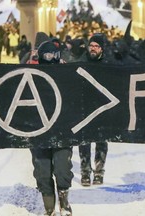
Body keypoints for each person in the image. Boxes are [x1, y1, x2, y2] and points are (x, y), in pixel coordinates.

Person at [29, 40, 73, 216]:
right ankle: (49, 207)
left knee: (62, 167)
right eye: (46, 56)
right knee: (42, 169)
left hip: (62, 129)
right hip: (39, 131)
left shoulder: (66, 73)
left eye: (52, 55)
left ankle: (64, 202)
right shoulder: (30, 73)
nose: (49, 59)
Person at [78, 34, 110, 186]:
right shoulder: (81, 62)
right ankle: (85, 172)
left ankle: (99, 172)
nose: (93, 49)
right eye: (91, 46)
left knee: (101, 141)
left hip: (103, 109)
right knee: (84, 142)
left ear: (102, 49)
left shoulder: (108, 64)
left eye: (96, 46)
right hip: (85, 107)